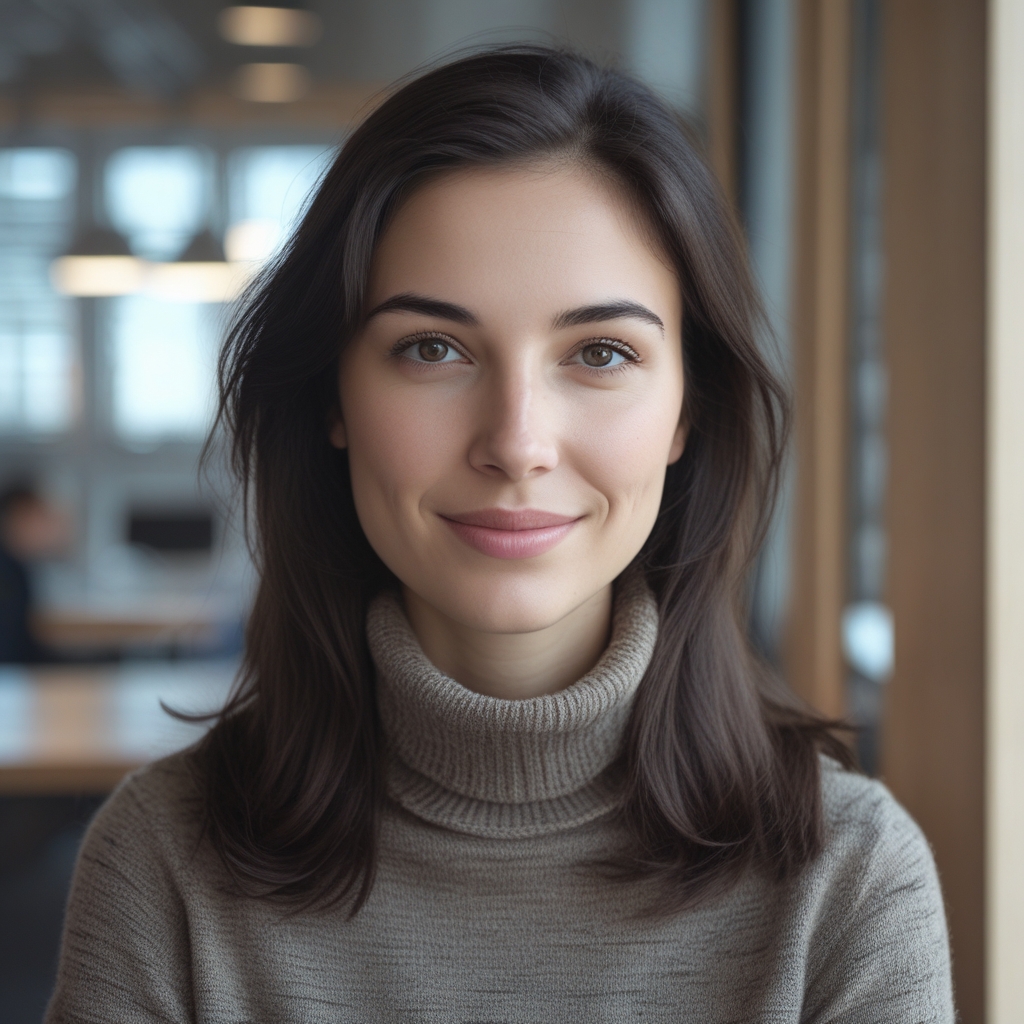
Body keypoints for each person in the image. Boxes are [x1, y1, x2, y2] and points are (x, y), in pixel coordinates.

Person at [46, 47, 954, 1022]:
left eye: (600, 353)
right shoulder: (163, 863)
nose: (517, 443)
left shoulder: (846, 879)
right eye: (431, 348)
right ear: (333, 397)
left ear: (688, 409)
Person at [0, 480, 66, 664]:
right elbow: (12, 652)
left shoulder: (18, 568)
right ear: (19, 517)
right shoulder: (7, 575)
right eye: (42, 517)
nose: (51, 527)